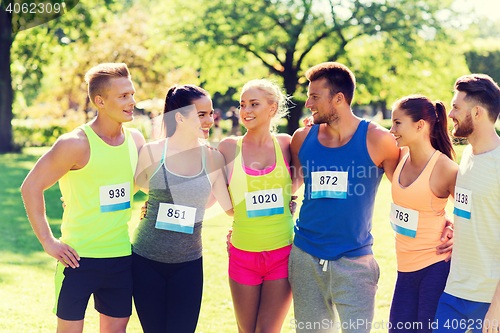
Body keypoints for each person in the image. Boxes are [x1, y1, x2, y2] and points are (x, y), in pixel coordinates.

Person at [288, 62, 453, 333]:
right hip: (305, 257)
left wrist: (449, 222)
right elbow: (291, 186)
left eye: (315, 96)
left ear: (338, 99)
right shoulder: (301, 138)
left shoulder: (379, 140)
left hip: (355, 262)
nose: (307, 103)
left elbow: (409, 190)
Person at [20, 63, 145, 333]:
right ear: (100, 101)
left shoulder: (136, 140)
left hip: (121, 257)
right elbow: (31, 187)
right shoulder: (75, 143)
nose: (132, 101)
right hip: (77, 259)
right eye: (123, 96)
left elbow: (131, 187)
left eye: (132, 94)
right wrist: (47, 241)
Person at [131, 84, 234, 333]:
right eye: (202, 114)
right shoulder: (152, 152)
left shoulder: (213, 158)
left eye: (211, 113)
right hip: (145, 260)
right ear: (179, 117)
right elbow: (132, 189)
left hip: (188, 263)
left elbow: (230, 208)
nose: (210, 120)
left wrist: (281, 201)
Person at [217, 79, 296, 333]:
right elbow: (228, 207)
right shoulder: (228, 148)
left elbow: (295, 188)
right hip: (243, 254)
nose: (246, 110)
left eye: (254, 104)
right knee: (246, 330)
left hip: (282, 253)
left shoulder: (286, 144)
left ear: (272, 108)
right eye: (242, 105)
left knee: (267, 330)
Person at [432, 74, 500, 333]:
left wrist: (496, 309)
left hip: (489, 299)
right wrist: (453, 225)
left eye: (456, 107)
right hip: (455, 290)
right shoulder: (468, 154)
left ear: (478, 112)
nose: (450, 114)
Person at [388, 95, 458, 333]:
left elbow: (471, 213)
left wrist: (455, 229)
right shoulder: (398, 157)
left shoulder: (446, 168)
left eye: (398, 123)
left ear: (420, 125)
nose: (392, 129)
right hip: (403, 269)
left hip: (434, 267)